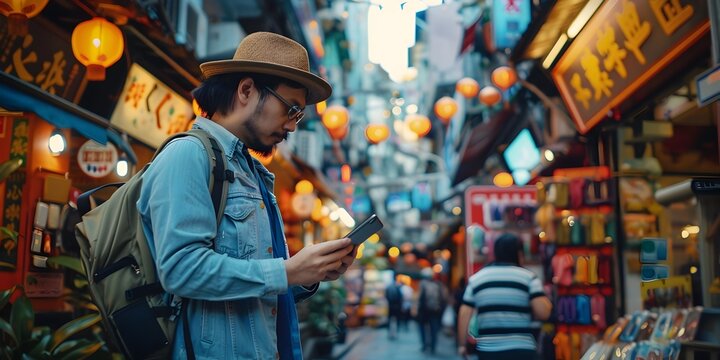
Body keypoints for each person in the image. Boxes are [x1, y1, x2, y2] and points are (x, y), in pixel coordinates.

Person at [137, 32, 357, 359]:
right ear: (246, 90)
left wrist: (310, 273)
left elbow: (251, 285)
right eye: (291, 109)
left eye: (298, 115)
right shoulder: (188, 155)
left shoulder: (252, 173)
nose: (293, 125)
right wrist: (287, 271)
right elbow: (181, 269)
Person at [457, 233, 552, 360]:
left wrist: (462, 345)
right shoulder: (528, 278)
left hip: (489, 351)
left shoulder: (477, 279)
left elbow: (464, 313)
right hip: (522, 351)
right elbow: (543, 313)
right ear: (519, 253)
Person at [417, 268, 446, 354]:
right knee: (434, 329)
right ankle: (433, 346)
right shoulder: (438, 284)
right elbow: (443, 298)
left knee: (422, 328)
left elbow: (419, 298)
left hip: (424, 311)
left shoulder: (422, 284)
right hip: (435, 310)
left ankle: (425, 345)